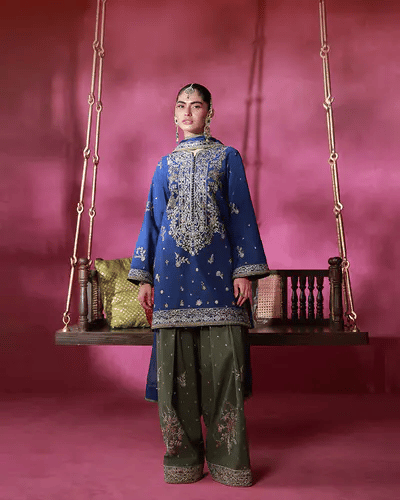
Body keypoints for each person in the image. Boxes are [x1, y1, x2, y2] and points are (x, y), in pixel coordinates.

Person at [128, 83, 268, 487]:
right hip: (170, 280)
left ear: (210, 113)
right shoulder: (163, 165)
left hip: (219, 277)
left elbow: (241, 215)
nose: (188, 112)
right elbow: (152, 221)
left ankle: (229, 461)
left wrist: (244, 270)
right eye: (181, 106)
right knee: (175, 375)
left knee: (225, 369)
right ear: (174, 115)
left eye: (196, 105)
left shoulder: (227, 158)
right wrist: (144, 276)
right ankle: (183, 460)